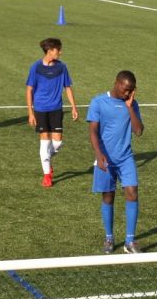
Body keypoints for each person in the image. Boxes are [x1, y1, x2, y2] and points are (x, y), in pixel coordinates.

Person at [87, 70, 145, 254]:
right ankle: (109, 238)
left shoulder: (132, 104)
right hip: (105, 157)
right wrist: (98, 154)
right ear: (116, 83)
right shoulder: (98, 102)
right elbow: (93, 131)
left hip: (125, 157)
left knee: (132, 191)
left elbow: (138, 131)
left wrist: (129, 106)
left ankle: (130, 241)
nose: (127, 93)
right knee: (108, 196)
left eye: (131, 90)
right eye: (125, 88)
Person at [25, 38, 79, 188]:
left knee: (57, 142)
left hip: (56, 108)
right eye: (58, 50)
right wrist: (30, 112)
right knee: (45, 140)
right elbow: (29, 90)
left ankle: (46, 159)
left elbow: (67, 87)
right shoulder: (35, 67)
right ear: (50, 51)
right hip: (41, 109)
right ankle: (47, 174)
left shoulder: (62, 67)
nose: (60, 52)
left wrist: (74, 107)